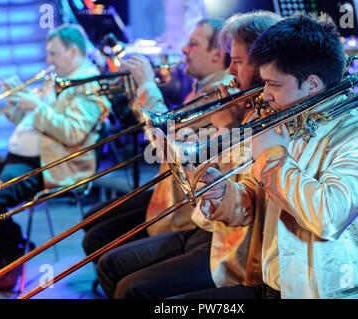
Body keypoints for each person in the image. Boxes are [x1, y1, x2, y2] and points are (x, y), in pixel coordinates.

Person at [178, 13, 358, 299]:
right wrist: (221, 192)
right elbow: (252, 205)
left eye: (274, 85)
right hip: (268, 283)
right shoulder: (286, 121)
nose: (264, 95)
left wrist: (271, 157)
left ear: (313, 84)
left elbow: (328, 216)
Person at [94, 10, 281, 299]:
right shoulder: (233, 101)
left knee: (128, 284)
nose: (231, 70)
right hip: (204, 224)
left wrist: (226, 131)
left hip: (226, 243)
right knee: (110, 259)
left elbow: (241, 195)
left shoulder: (261, 115)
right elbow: (173, 143)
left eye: (238, 61)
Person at [81, 18, 232, 262]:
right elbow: (157, 128)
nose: (184, 50)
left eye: (193, 44)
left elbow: (169, 141)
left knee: (99, 240)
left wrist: (147, 86)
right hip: (165, 193)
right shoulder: (201, 86)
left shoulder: (219, 94)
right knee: (92, 221)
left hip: (181, 210)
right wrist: (137, 92)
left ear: (217, 53)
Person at [0, 24, 111, 291]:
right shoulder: (57, 79)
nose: (48, 60)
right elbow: (28, 121)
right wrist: (16, 102)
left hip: (49, 165)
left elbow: (73, 132)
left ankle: (12, 249)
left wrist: (36, 106)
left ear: (73, 52)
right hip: (19, 158)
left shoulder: (89, 84)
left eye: (53, 53)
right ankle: (5, 243)